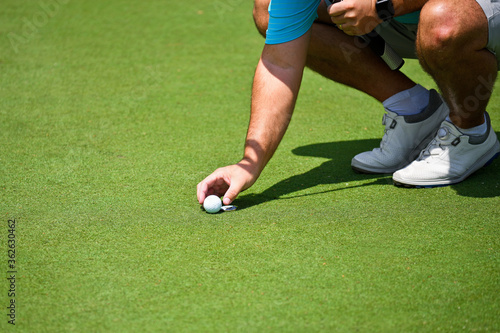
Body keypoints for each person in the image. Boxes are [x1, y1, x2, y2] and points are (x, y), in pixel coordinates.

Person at [197, 0, 500, 206]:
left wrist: (382, 5)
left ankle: (470, 131)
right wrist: (249, 165)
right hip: (402, 19)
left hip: (471, 11)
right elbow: (281, 64)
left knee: (443, 24)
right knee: (272, 9)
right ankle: (416, 111)